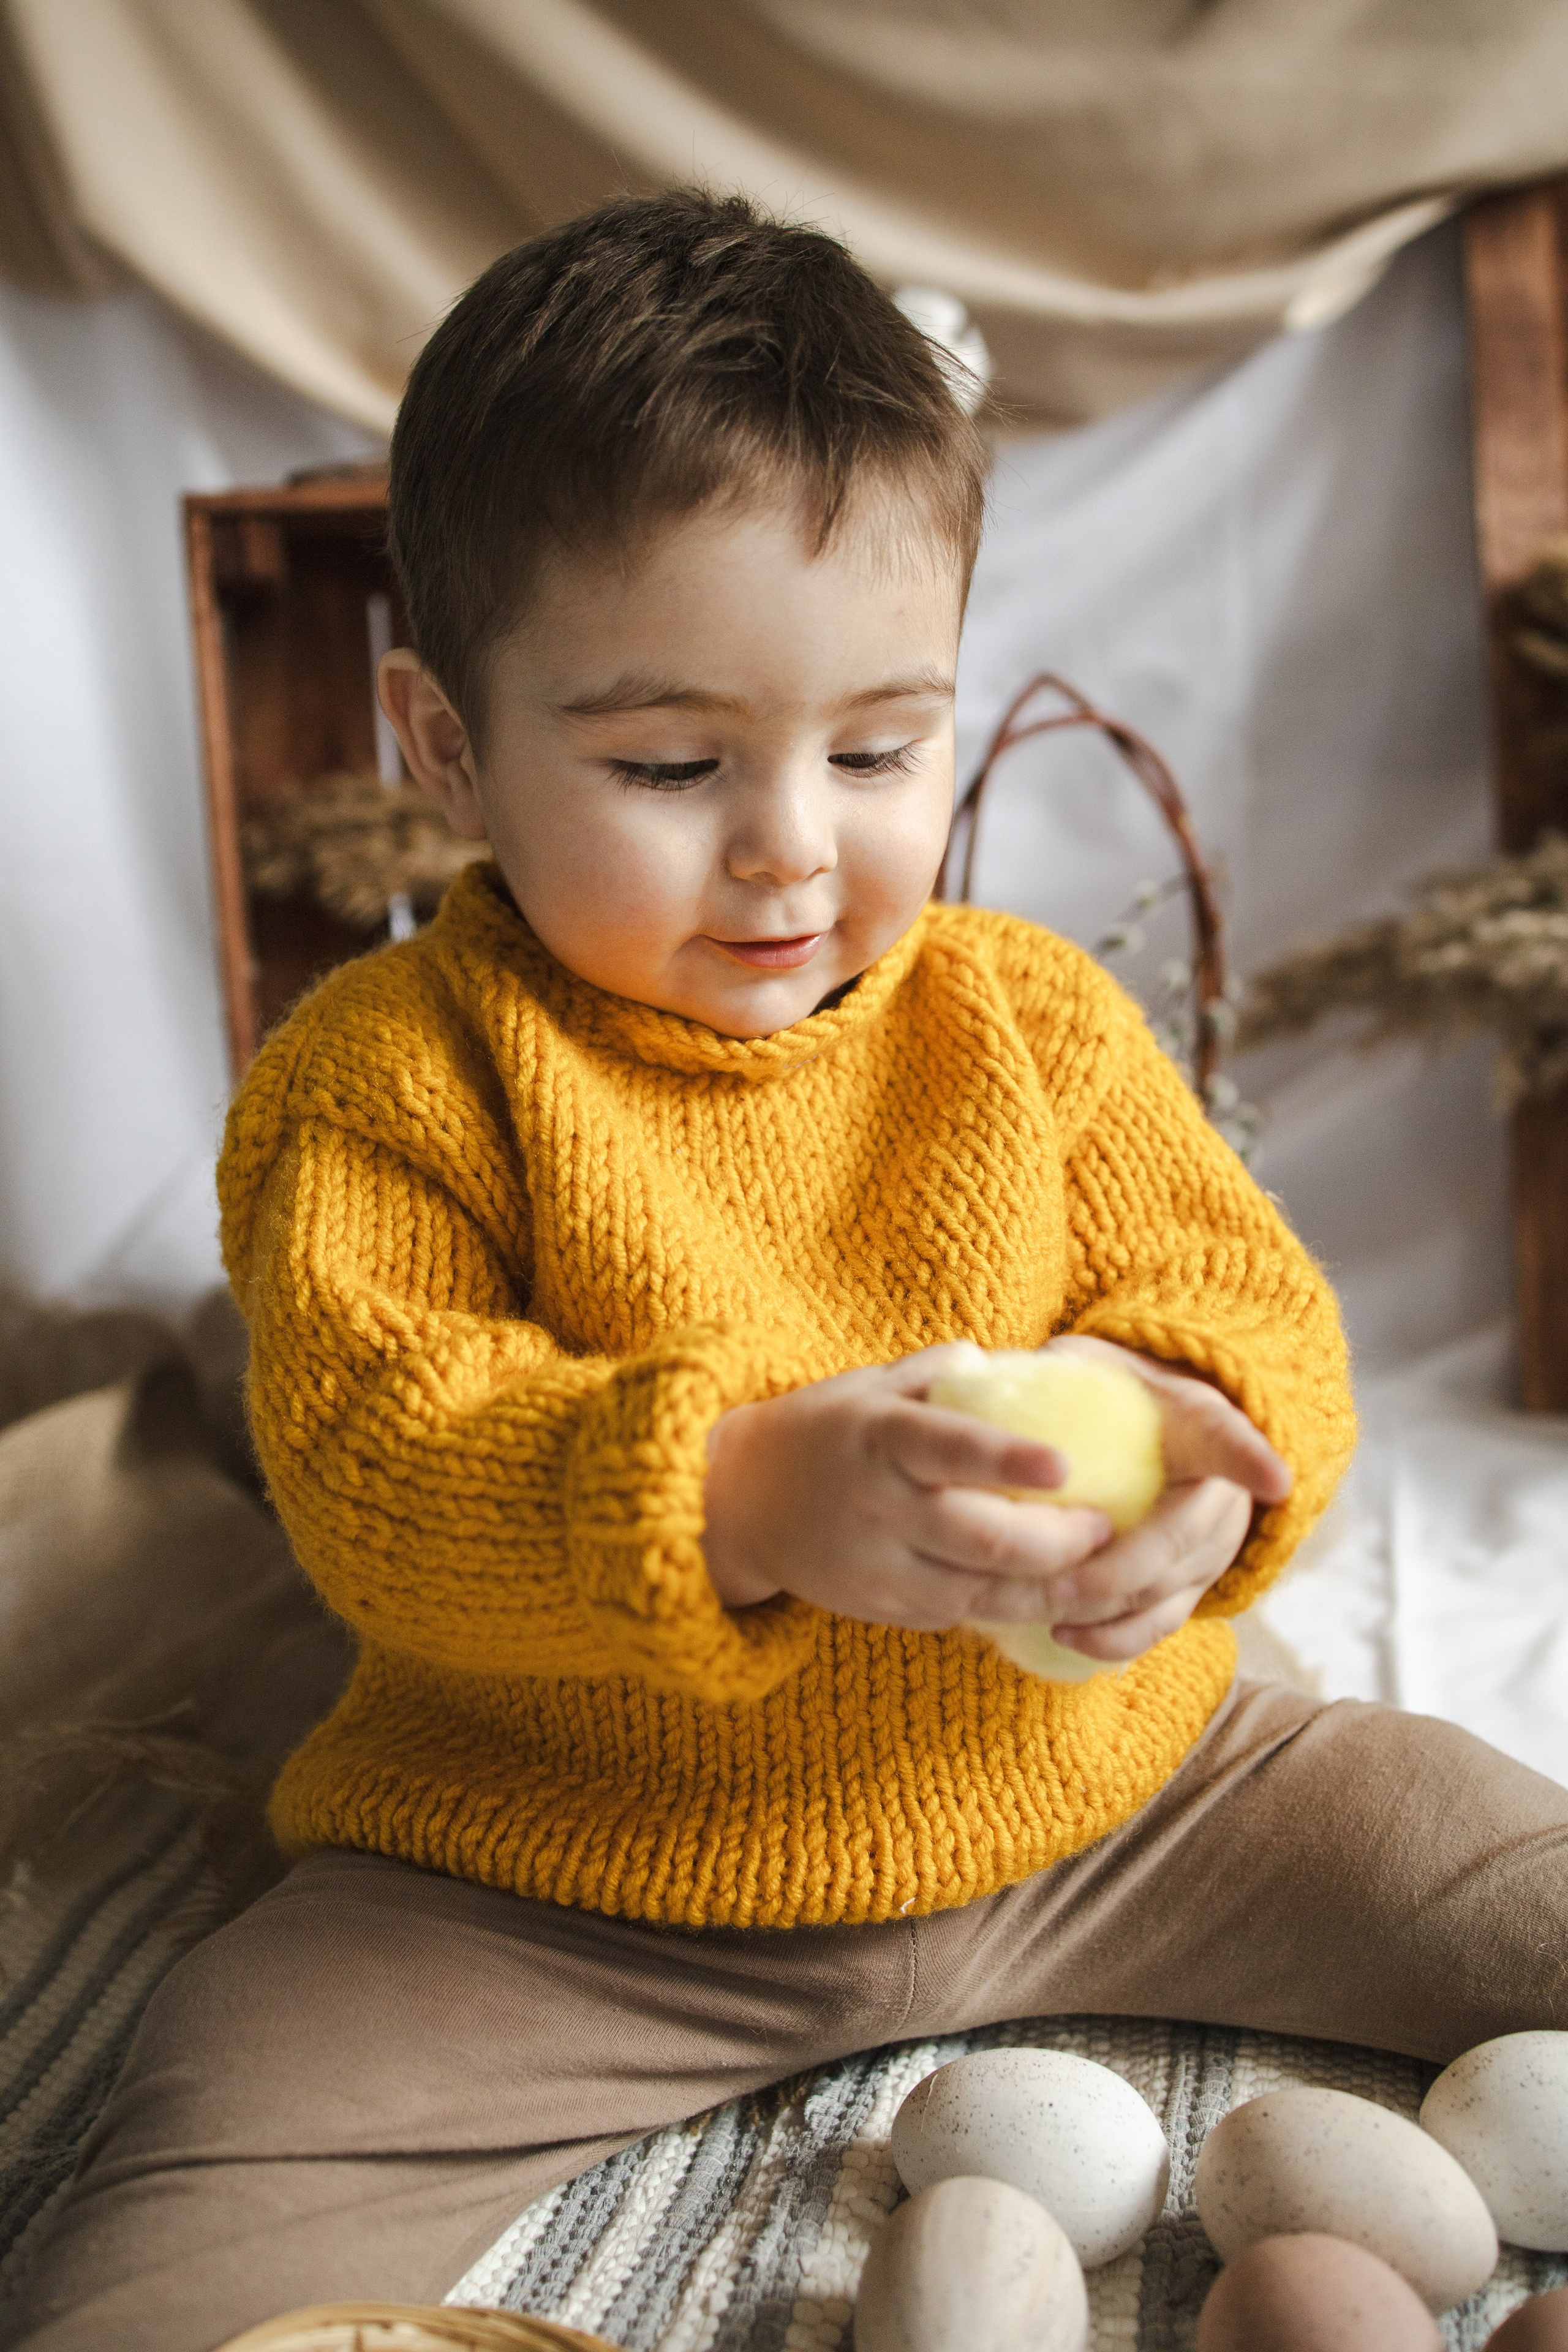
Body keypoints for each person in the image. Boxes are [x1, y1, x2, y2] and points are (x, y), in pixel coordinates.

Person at [10, 189, 1567, 2352]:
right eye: (669, 765)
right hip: (553, 1890)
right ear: (442, 745)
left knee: (1498, 1860)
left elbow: (1241, 1301)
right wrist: (739, 1496)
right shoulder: (389, 1077)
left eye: (877, 749)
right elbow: (377, 1466)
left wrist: (1207, 1475)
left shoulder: (1021, 1017)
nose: (791, 845)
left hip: (1114, 1799)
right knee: (159, 2202)